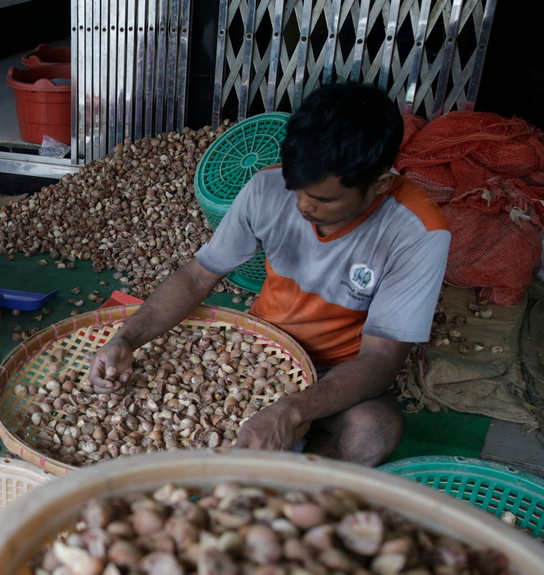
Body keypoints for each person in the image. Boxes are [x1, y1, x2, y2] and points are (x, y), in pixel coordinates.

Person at [88, 81, 450, 466]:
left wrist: (292, 410)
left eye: (323, 199)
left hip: (339, 369)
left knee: (373, 431)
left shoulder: (417, 231)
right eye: (297, 188)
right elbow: (197, 277)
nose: (303, 206)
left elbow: (380, 360)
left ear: (378, 184)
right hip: (262, 347)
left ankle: (284, 487)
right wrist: (127, 338)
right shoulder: (267, 188)